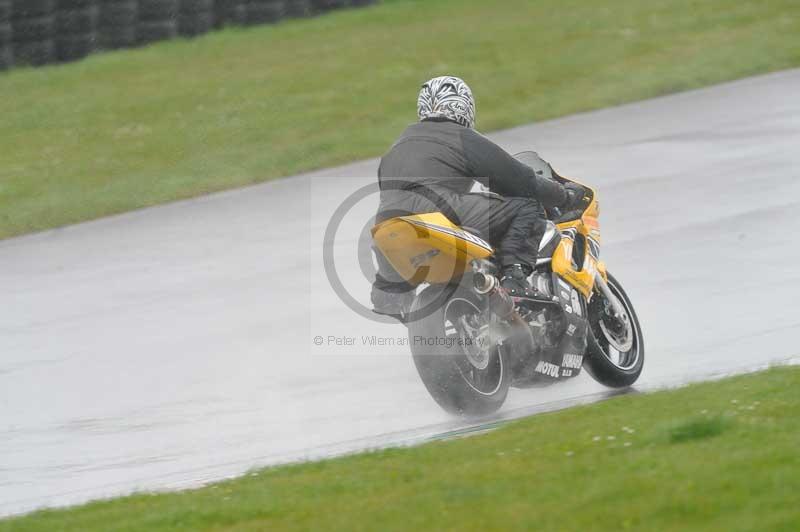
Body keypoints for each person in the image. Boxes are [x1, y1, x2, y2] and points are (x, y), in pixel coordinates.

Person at [371, 75, 582, 320]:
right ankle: (515, 280)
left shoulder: (397, 146)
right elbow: (519, 179)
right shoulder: (457, 135)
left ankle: (389, 293)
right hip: (435, 211)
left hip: (387, 225)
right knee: (527, 207)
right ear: (464, 106)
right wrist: (563, 196)